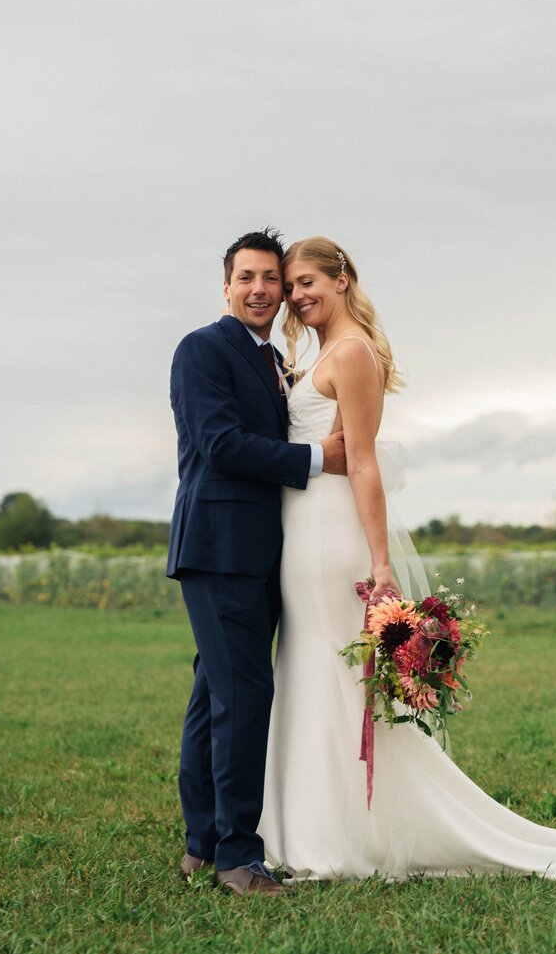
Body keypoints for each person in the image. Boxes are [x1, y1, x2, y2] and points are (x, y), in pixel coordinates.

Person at [258, 236, 556, 880]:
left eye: (307, 283)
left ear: (342, 279)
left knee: (332, 678)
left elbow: (363, 462)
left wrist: (381, 564)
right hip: (300, 531)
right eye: (292, 286)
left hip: (330, 536)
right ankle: (310, 826)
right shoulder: (325, 350)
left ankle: (337, 836)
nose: (297, 296)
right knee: (308, 670)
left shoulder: (351, 353)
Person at [167, 228, 345, 895]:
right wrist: (320, 458)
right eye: (248, 277)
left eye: (272, 278)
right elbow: (220, 445)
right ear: (227, 285)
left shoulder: (269, 359)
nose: (263, 289)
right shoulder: (202, 350)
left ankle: (202, 842)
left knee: (215, 691)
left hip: (259, 552)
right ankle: (238, 857)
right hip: (219, 547)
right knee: (243, 694)